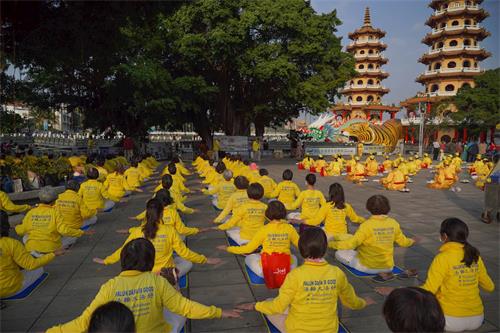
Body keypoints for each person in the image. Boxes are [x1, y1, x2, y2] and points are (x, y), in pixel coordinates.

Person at [49, 238, 240, 333]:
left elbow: (85, 321)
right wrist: (218, 311)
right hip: (163, 304)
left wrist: (54, 331)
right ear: (150, 261)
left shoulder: (110, 286)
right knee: (176, 305)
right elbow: (185, 307)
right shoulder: (156, 281)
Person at [236, 227, 373, 332]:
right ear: (325, 249)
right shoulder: (337, 273)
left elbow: (277, 306)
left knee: (269, 303)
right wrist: (363, 302)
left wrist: (255, 306)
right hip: (329, 329)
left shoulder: (295, 275)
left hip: (298, 329)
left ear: (301, 249)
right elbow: (352, 302)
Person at [377, 218, 495, 332]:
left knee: (421, 308)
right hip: (477, 318)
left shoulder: (442, 258)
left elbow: (428, 290)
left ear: (444, 236)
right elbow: (490, 287)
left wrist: (397, 291)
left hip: (449, 320)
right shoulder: (475, 256)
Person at [94, 199, 219, 278]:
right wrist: (205, 260)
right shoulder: (169, 230)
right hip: (166, 273)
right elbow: (185, 253)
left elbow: (123, 250)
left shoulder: (138, 231)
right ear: (161, 213)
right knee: (187, 262)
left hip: (146, 274)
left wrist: (106, 261)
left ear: (146, 213)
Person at [330, 195, 416, 282]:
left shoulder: (366, 225)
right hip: (388, 266)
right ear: (387, 207)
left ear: (369, 207)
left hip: (368, 267)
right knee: (354, 251)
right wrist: (412, 240)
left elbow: (350, 244)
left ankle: (379, 273)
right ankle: (385, 273)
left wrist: (330, 244)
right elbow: (403, 242)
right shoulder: (393, 223)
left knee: (339, 253)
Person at [219, 201, 299, 289]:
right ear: (284, 213)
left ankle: (259, 280)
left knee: (249, 258)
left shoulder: (263, 230)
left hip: (268, 264)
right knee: (294, 258)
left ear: (268, 213)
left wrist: (229, 249)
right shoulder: (290, 228)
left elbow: (247, 249)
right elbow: (300, 245)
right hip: (285, 263)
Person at [0, 211, 63, 299]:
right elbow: (31, 265)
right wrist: (53, 254)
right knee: (38, 269)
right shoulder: (11, 243)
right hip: (8, 289)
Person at [15, 187, 90, 255]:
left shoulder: (31, 212)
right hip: (51, 247)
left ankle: (36, 252)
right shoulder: (56, 212)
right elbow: (64, 230)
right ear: (54, 200)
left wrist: (16, 227)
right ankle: (50, 252)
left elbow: (21, 230)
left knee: (25, 237)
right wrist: (81, 232)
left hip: (33, 246)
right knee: (72, 237)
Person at [56, 180, 97, 247]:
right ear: (77, 188)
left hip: (61, 224)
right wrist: (94, 211)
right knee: (94, 218)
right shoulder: (78, 198)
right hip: (75, 225)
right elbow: (86, 214)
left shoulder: (59, 197)